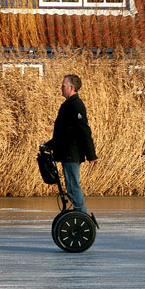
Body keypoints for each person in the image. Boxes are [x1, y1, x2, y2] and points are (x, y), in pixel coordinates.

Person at [43, 74, 97, 213]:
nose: (61, 88)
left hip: (72, 153)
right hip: (66, 152)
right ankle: (78, 215)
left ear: (71, 87)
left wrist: (91, 154)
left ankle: (82, 216)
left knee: (73, 187)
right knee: (70, 185)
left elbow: (84, 129)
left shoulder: (76, 104)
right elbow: (63, 132)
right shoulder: (68, 104)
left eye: (63, 86)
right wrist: (49, 145)